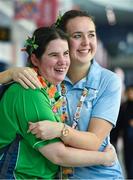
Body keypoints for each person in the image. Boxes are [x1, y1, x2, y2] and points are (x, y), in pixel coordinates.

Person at [0, 26, 116, 179]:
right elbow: (58, 155)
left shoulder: (50, 89)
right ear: (35, 59)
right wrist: (105, 158)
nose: (63, 61)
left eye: (66, 53)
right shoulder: (29, 91)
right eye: (54, 55)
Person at [111, 84, 133, 179]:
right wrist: (113, 139)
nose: (131, 94)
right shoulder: (124, 107)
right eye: (129, 92)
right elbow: (118, 125)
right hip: (127, 140)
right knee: (128, 161)